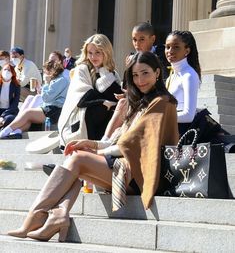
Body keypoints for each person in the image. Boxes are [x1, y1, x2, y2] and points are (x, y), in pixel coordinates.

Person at [7, 51, 178, 241]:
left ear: (157, 73)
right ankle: (59, 215)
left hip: (141, 173)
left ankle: (34, 219)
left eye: (145, 73)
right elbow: (118, 140)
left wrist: (97, 150)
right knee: (76, 156)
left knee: (78, 159)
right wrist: (90, 144)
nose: (140, 80)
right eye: (135, 75)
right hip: (125, 167)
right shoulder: (140, 103)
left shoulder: (162, 102)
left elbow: (132, 146)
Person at [58, 33, 122, 146]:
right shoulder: (81, 69)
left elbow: (117, 96)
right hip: (80, 121)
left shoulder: (112, 73)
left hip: (103, 122)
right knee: (102, 108)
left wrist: (104, 74)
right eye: (90, 53)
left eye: (97, 52)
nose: (93, 57)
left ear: (106, 52)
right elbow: (82, 100)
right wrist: (103, 102)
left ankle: (105, 143)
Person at [0, 60, 69, 139]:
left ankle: (4, 132)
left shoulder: (60, 80)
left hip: (54, 110)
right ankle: (16, 132)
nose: (45, 73)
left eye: (46, 71)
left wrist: (46, 83)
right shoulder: (58, 79)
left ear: (52, 70)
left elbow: (46, 98)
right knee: (28, 119)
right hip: (51, 109)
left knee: (28, 112)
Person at [165, 30, 201, 136]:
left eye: (176, 47)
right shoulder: (170, 78)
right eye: (167, 47)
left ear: (187, 50)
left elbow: (189, 115)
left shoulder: (189, 75)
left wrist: (161, 116)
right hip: (169, 127)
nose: (170, 51)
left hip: (180, 132)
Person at [0, 64, 20, 129]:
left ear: (12, 73)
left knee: (9, 118)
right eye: (5, 69)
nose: (6, 72)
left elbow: (15, 104)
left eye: (9, 70)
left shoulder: (16, 86)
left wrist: (2, 116)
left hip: (9, 111)